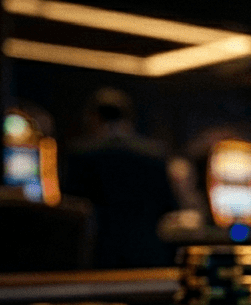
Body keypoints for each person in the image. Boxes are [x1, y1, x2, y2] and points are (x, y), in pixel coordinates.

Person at [63, 88, 179, 268]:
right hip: (150, 254)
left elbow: (70, 206)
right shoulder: (155, 154)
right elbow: (170, 205)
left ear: (94, 117)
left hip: (102, 254)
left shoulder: (83, 153)